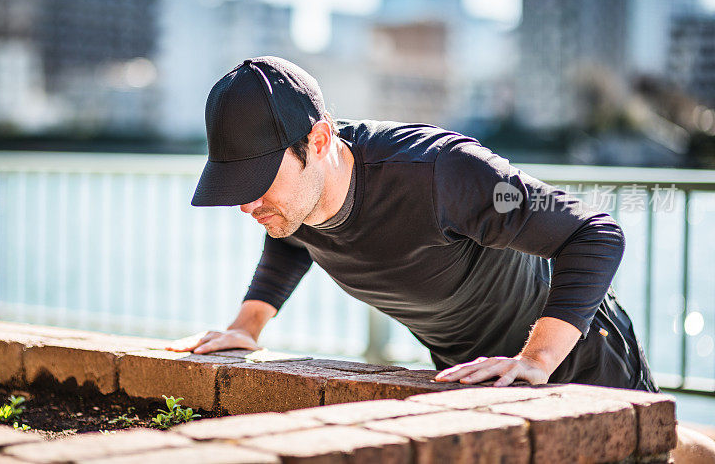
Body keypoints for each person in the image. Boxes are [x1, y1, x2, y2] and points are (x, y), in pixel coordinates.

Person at [168, 56, 714, 460]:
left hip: (573, 354)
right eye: (237, 186)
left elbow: (594, 233)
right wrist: (248, 326)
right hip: (467, 373)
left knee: (656, 451)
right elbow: (289, 237)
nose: (248, 204)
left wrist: (537, 359)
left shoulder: (442, 173)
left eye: (260, 182)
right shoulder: (297, 201)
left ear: (318, 141)